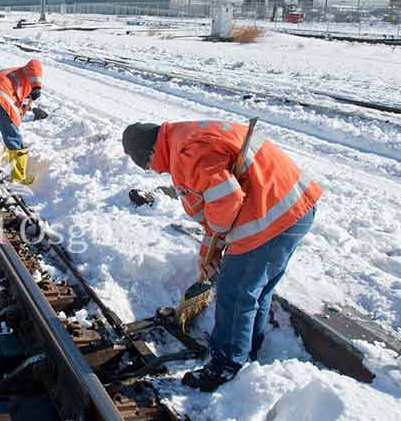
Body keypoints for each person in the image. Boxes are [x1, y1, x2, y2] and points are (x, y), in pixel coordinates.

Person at [122, 120, 321, 391]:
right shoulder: (185, 136)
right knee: (256, 290)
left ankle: (225, 364)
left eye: (149, 166)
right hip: (295, 207)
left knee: (235, 291)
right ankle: (247, 347)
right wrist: (208, 251)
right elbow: (213, 209)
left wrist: (216, 239)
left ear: (150, 153)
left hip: (269, 217)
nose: (157, 172)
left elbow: (226, 200)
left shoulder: (185, 153)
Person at [0, 60, 43, 185]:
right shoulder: (26, 72)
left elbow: (0, 113)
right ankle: (18, 177)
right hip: (0, 94)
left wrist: (1, 120)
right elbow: (35, 64)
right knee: (13, 137)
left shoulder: (12, 75)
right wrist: (37, 86)